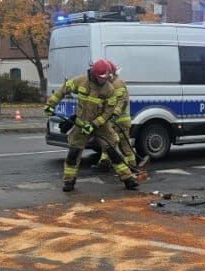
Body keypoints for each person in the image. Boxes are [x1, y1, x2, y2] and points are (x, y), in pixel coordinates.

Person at [44, 59, 139, 192]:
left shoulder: (109, 89)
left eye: (107, 77)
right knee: (74, 152)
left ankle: (128, 179)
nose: (104, 79)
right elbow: (63, 89)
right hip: (81, 124)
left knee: (113, 151)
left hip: (101, 126)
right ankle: (68, 182)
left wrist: (94, 125)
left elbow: (108, 112)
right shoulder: (81, 81)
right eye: (102, 77)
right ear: (94, 74)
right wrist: (50, 105)